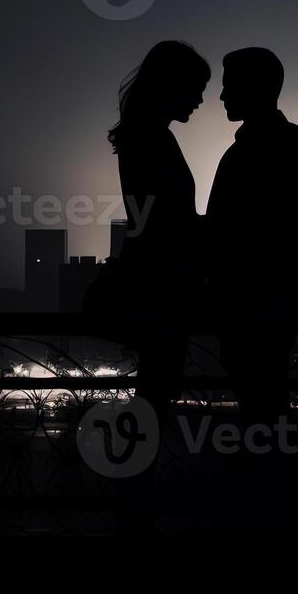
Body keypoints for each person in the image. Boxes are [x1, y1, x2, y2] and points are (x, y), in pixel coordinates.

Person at [205, 47, 298, 422]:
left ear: (256, 88)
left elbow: (277, 228)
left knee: (263, 410)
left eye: (229, 86)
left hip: (254, 302)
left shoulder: (271, 146)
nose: (221, 96)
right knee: (265, 409)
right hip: (264, 299)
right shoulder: (283, 143)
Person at [102, 40, 211, 412]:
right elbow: (163, 220)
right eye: (195, 89)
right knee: (156, 394)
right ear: (172, 85)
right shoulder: (152, 139)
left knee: (155, 394)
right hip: (162, 286)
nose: (199, 100)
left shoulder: (145, 136)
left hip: (158, 282)